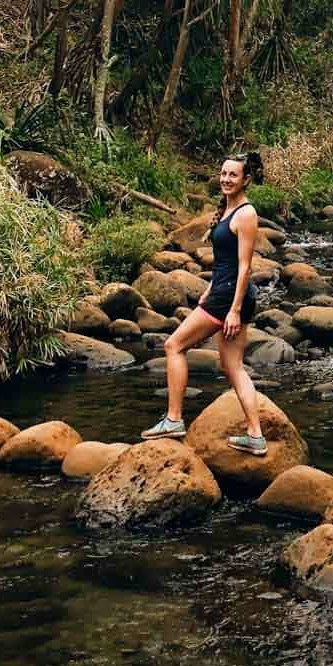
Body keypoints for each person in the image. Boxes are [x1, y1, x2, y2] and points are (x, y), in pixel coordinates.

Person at [142, 153, 267, 454]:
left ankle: (173, 419)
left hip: (230, 298)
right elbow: (224, 260)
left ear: (246, 179)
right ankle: (256, 436)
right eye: (223, 173)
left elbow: (244, 267)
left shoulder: (246, 215)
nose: (225, 179)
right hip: (222, 292)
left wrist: (234, 309)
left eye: (233, 175)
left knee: (174, 346)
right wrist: (209, 288)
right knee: (232, 366)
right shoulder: (227, 209)